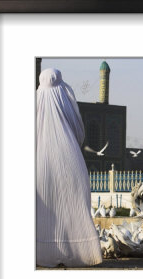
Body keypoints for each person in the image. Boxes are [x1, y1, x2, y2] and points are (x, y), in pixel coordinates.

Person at [36, 68, 102, 267]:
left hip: (40, 160)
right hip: (69, 158)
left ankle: (41, 253)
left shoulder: (36, 99)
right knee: (73, 203)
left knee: (43, 208)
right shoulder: (64, 96)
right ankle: (81, 252)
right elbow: (78, 129)